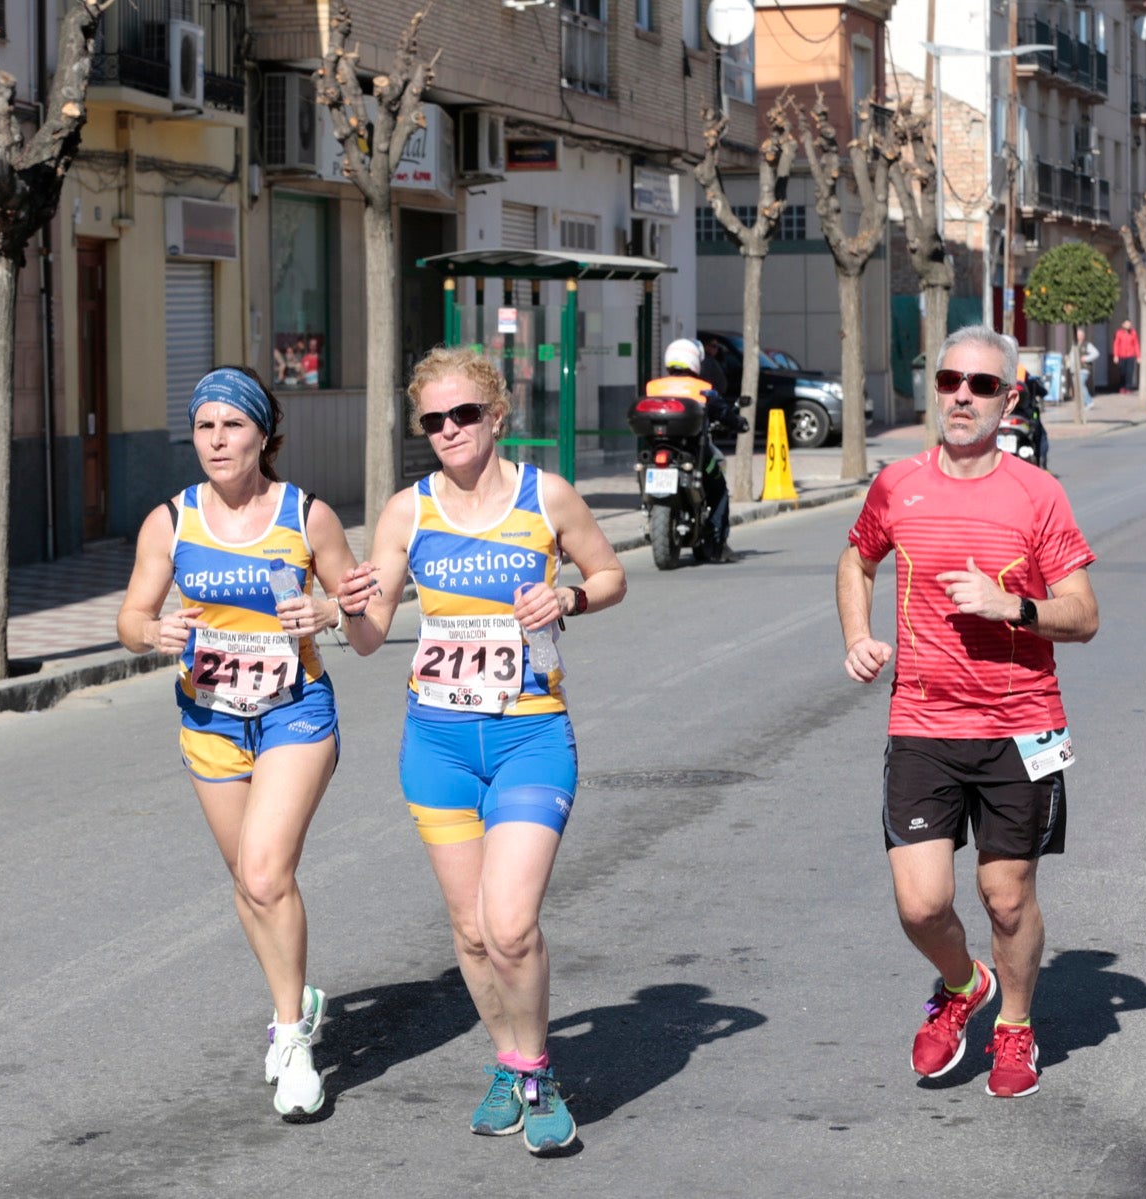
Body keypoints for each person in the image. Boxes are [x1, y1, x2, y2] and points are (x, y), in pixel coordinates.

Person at [335, 347, 626, 1154]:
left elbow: (610, 575)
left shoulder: (547, 497)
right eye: (433, 420)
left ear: (498, 416)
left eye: (464, 414)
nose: (449, 431)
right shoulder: (408, 512)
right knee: (468, 932)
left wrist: (567, 593)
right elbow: (366, 638)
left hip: (531, 733)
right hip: (437, 743)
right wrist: (351, 609)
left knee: (511, 923)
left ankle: (536, 1073)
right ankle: (508, 1057)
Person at [837, 325, 1099, 1101]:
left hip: (1022, 725)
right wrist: (858, 632)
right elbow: (857, 557)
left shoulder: (1038, 494)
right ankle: (964, 982)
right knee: (921, 903)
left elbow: (1083, 614)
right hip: (922, 720)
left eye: (982, 384)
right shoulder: (897, 485)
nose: (962, 394)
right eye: (951, 378)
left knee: (1007, 895)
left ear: (1008, 399)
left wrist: (1011, 604)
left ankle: (1014, 1023)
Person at [116, 366, 358, 1122]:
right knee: (246, 879)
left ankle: (291, 1036)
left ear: (263, 433)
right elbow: (130, 614)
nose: (217, 440)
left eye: (233, 425)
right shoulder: (171, 520)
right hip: (210, 715)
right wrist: (150, 631)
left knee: (265, 869)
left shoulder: (306, 514)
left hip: (294, 710)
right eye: (204, 426)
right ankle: (297, 994)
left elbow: (357, 604)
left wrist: (325, 611)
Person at [652, 337, 740, 562]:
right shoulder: (703, 389)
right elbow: (723, 413)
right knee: (719, 489)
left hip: (656, 452)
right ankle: (716, 543)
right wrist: (739, 423)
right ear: (694, 361)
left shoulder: (653, 386)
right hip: (694, 453)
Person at [1113, 319, 1141, 393]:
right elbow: (1116, 344)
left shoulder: (1133, 333)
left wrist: (1138, 356)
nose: (1129, 326)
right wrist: (1115, 355)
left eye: (1130, 324)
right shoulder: (1119, 333)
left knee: (1129, 372)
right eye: (1127, 324)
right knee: (1122, 372)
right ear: (1123, 325)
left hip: (1130, 355)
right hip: (1121, 355)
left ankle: (1128, 387)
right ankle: (1122, 387)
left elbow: (1136, 344)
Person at [1079, 334, 1101, 408]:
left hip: (1084, 368)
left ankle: (1089, 402)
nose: (1078, 336)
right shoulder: (1074, 345)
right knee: (1079, 386)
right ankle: (1085, 402)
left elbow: (1096, 353)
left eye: (1079, 335)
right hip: (1076, 369)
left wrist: (1086, 358)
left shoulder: (1087, 345)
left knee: (1081, 384)